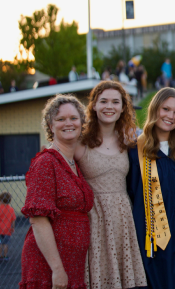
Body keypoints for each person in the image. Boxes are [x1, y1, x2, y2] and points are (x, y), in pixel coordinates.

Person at [127, 87, 175, 289]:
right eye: (165, 109)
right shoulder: (135, 151)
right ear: (155, 110)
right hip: (154, 241)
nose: (170, 116)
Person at [75, 81, 147, 288]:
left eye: (116, 102)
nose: (109, 106)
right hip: (93, 220)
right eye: (103, 101)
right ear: (94, 106)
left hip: (123, 219)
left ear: (123, 107)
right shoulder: (80, 141)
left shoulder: (130, 139)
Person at [20, 94, 94, 288]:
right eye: (60, 119)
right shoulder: (46, 162)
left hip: (73, 264)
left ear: (81, 123)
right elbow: (38, 219)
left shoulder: (74, 164)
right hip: (49, 266)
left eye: (73, 118)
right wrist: (57, 269)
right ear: (51, 126)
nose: (68, 123)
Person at [0, 192, 16, 261]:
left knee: (0, 243)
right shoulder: (11, 209)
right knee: (5, 243)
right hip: (7, 229)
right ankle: (5, 256)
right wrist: (12, 227)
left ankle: (0, 256)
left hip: (0, 229)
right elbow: (13, 220)